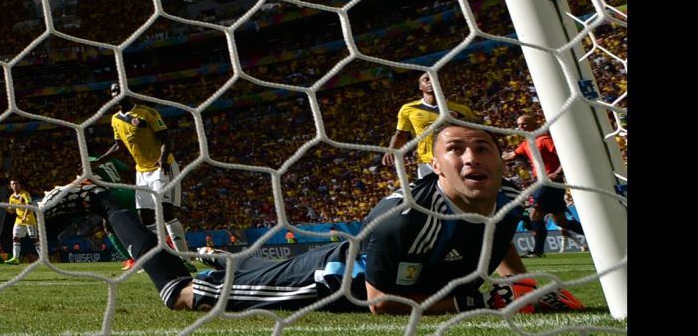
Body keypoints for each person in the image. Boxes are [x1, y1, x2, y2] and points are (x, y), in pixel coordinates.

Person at [40, 124, 583, 314]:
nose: (471, 159)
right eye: (456, 150)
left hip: (346, 265)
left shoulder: (509, 199)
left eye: (482, 148)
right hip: (327, 285)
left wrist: (523, 285)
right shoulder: (402, 218)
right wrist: (479, 299)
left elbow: (500, 237)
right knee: (181, 295)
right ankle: (107, 204)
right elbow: (380, 304)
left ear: (500, 156)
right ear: (434, 165)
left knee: (202, 272)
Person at [96, 83, 194, 271]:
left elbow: (166, 138)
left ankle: (185, 259)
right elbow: (118, 146)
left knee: (165, 211)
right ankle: (158, 259)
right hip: (141, 171)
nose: (117, 94)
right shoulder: (115, 119)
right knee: (145, 215)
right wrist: (97, 161)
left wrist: (163, 159)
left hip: (161, 166)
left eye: (119, 90)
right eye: (113, 92)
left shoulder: (147, 113)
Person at [501, 115, 586, 257]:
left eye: (524, 124)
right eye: (519, 125)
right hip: (542, 182)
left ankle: (538, 251)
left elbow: (566, 156)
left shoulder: (545, 140)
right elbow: (510, 155)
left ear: (535, 123)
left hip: (549, 182)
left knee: (535, 214)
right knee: (560, 221)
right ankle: (597, 235)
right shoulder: (527, 143)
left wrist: (558, 173)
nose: (521, 127)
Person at [382, 72, 477, 178]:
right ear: (420, 86)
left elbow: (476, 134)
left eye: (435, 79)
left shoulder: (462, 110)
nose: (431, 81)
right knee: (429, 194)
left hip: (454, 160)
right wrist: (391, 149)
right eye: (426, 79)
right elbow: (401, 135)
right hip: (427, 163)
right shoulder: (408, 109)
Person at [4, 179, 41, 265]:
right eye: (12, 184)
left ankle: (42, 257)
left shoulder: (25, 194)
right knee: (15, 237)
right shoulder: (12, 197)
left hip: (28, 219)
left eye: (16, 183)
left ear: (20, 185)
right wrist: (7, 208)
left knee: (34, 238)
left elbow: (29, 205)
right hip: (19, 220)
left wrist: (24, 216)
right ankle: (15, 258)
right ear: (11, 186)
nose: (14, 186)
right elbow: (12, 210)